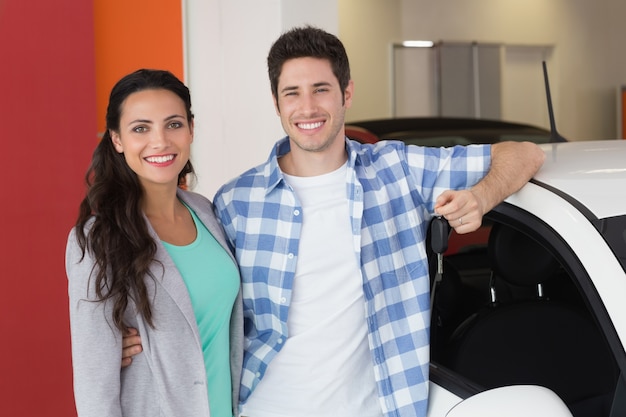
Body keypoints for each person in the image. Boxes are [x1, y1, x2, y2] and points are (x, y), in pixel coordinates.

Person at [123, 26, 545, 417]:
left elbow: (525, 153)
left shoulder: (397, 170)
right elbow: (206, 291)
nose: (307, 107)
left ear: (346, 93)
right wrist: (136, 334)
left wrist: (481, 196)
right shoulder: (236, 200)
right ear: (276, 103)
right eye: (292, 93)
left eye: (321, 89)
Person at [66, 69, 243, 417]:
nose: (160, 141)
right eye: (140, 128)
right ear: (117, 140)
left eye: (173, 124)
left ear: (191, 128)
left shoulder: (206, 212)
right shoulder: (98, 237)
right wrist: (109, 350)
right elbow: (92, 381)